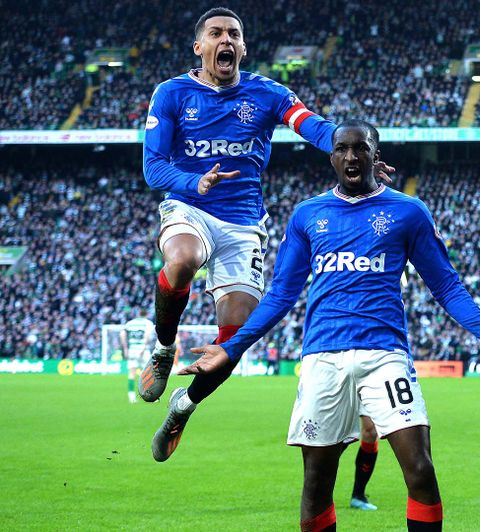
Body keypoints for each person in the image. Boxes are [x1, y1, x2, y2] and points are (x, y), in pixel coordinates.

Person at [179, 120, 480, 531]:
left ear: (375, 154)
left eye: (361, 148)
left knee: (420, 470)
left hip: (384, 356)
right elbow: (281, 294)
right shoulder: (307, 215)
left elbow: (446, 285)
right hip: (322, 357)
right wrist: (232, 346)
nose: (351, 156)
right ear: (332, 155)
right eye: (342, 149)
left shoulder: (408, 211)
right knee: (317, 483)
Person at [137, 7, 392, 462]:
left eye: (234, 34)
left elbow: (314, 126)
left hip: (242, 224)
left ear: (244, 47)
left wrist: (359, 150)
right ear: (199, 47)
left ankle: (183, 407)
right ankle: (162, 349)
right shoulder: (172, 94)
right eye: (215, 33)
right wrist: (192, 183)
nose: (226, 40)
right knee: (181, 259)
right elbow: (153, 167)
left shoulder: (268, 93)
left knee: (236, 336)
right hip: (189, 204)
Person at [120, 309, 154, 403]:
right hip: (143, 350)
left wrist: (125, 349)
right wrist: (143, 348)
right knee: (148, 373)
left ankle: (131, 397)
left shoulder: (130, 323)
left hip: (132, 350)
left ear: (138, 314)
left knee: (132, 373)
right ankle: (150, 396)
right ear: (146, 314)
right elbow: (147, 335)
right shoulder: (148, 323)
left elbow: (122, 334)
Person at [349, 416, 380, 511]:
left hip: (367, 400)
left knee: (371, 432)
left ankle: (358, 495)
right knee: (339, 433)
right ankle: (317, 489)